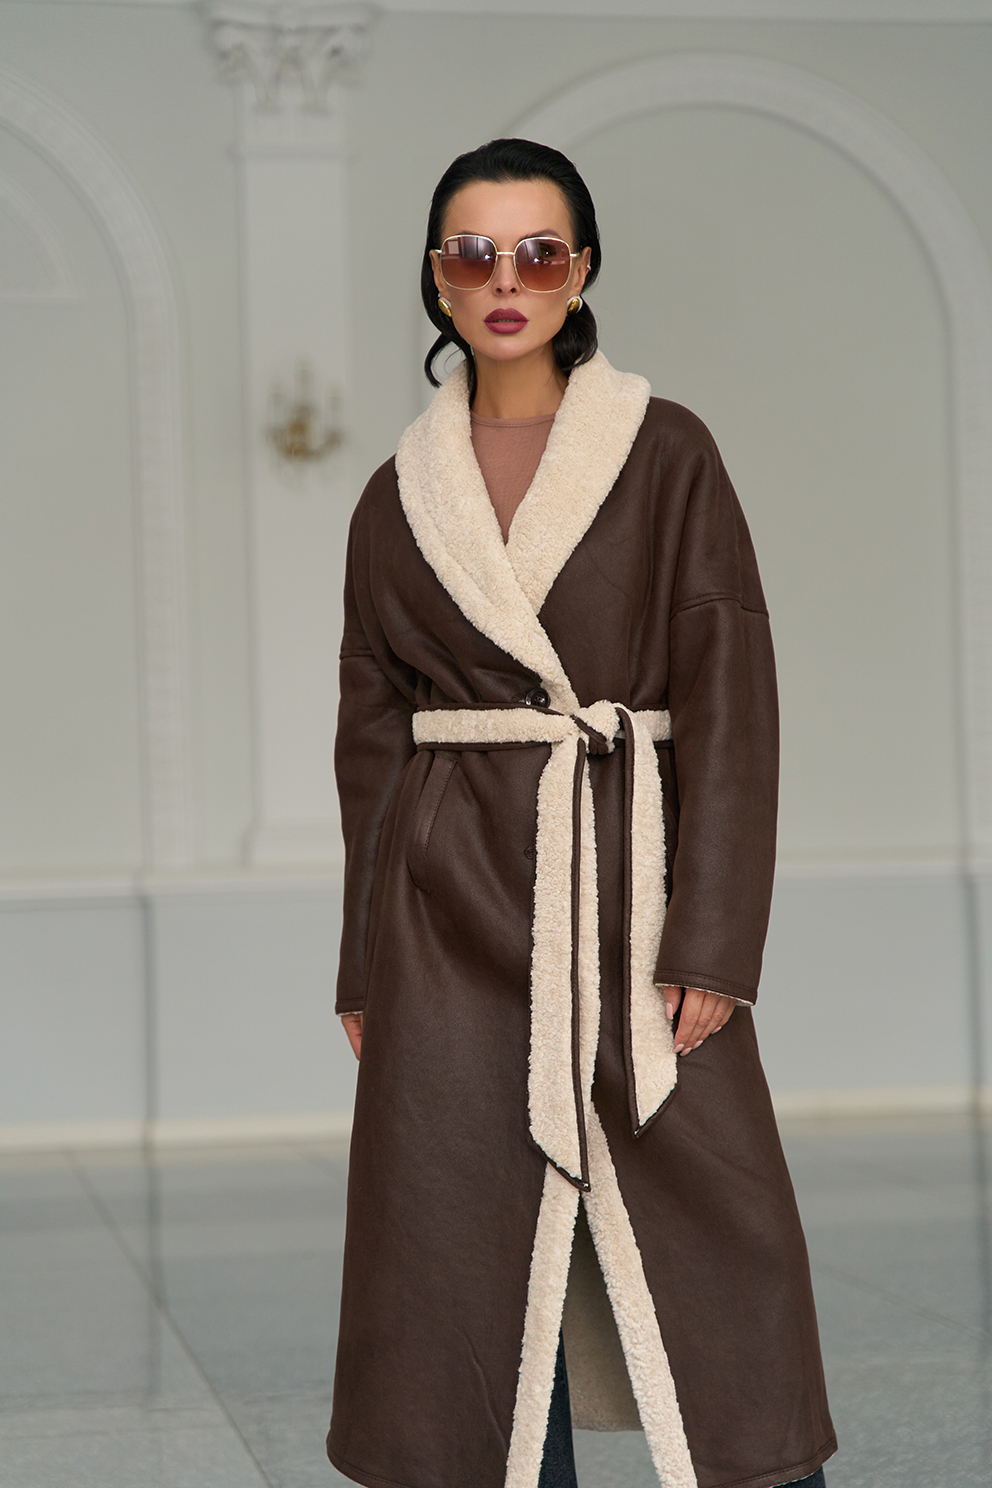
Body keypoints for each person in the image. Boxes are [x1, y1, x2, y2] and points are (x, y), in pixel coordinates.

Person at [326, 137, 836, 1488]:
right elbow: (370, 747)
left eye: (538, 251)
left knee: (726, 1231)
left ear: (583, 270)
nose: (506, 280)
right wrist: (366, 960)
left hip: (629, 884)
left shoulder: (665, 452)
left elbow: (730, 697)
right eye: (473, 252)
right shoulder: (397, 495)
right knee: (463, 1245)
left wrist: (714, 938)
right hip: (445, 913)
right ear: (437, 278)